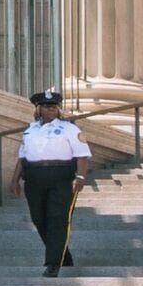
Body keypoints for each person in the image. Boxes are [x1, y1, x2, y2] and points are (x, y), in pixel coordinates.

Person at [16, 90, 92, 273]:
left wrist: (80, 177)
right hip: (34, 177)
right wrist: (14, 180)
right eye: (47, 107)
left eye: (54, 107)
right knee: (39, 219)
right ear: (38, 109)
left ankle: (52, 264)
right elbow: (22, 157)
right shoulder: (30, 130)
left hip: (61, 177)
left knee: (58, 219)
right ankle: (63, 256)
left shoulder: (70, 129)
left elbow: (82, 155)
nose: (51, 110)